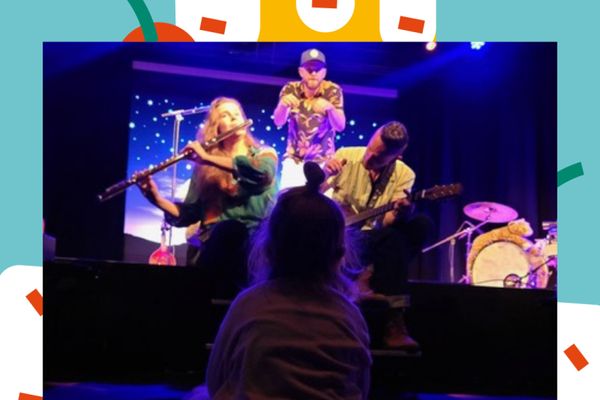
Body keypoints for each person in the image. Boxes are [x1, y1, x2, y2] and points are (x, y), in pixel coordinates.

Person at [206, 163, 371, 400]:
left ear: (269, 248)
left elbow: (215, 381)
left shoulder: (249, 304)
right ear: (339, 255)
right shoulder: (349, 316)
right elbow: (361, 387)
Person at [137, 97, 278, 297]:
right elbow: (190, 213)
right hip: (216, 248)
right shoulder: (204, 169)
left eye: (237, 113)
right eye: (225, 115)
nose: (233, 118)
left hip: (253, 248)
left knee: (232, 231)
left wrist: (207, 158)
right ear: (216, 127)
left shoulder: (264, 154)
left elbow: (262, 175)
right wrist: (157, 199)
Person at [323, 121, 432, 349]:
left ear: (396, 157)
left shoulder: (404, 174)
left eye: (378, 157)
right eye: (370, 149)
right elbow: (312, 194)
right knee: (393, 242)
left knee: (419, 224)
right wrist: (324, 174)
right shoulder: (346, 155)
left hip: (377, 237)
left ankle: (369, 277)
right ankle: (394, 318)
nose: (369, 157)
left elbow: (387, 222)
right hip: (345, 237)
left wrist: (401, 213)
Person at [273, 48, 346, 190]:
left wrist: (330, 109)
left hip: (324, 161)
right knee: (288, 199)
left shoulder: (333, 90)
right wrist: (282, 106)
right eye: (309, 69)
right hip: (294, 159)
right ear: (301, 71)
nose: (313, 73)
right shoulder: (290, 88)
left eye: (317, 69)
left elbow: (340, 126)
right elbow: (278, 122)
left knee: (320, 201)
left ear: (324, 72)